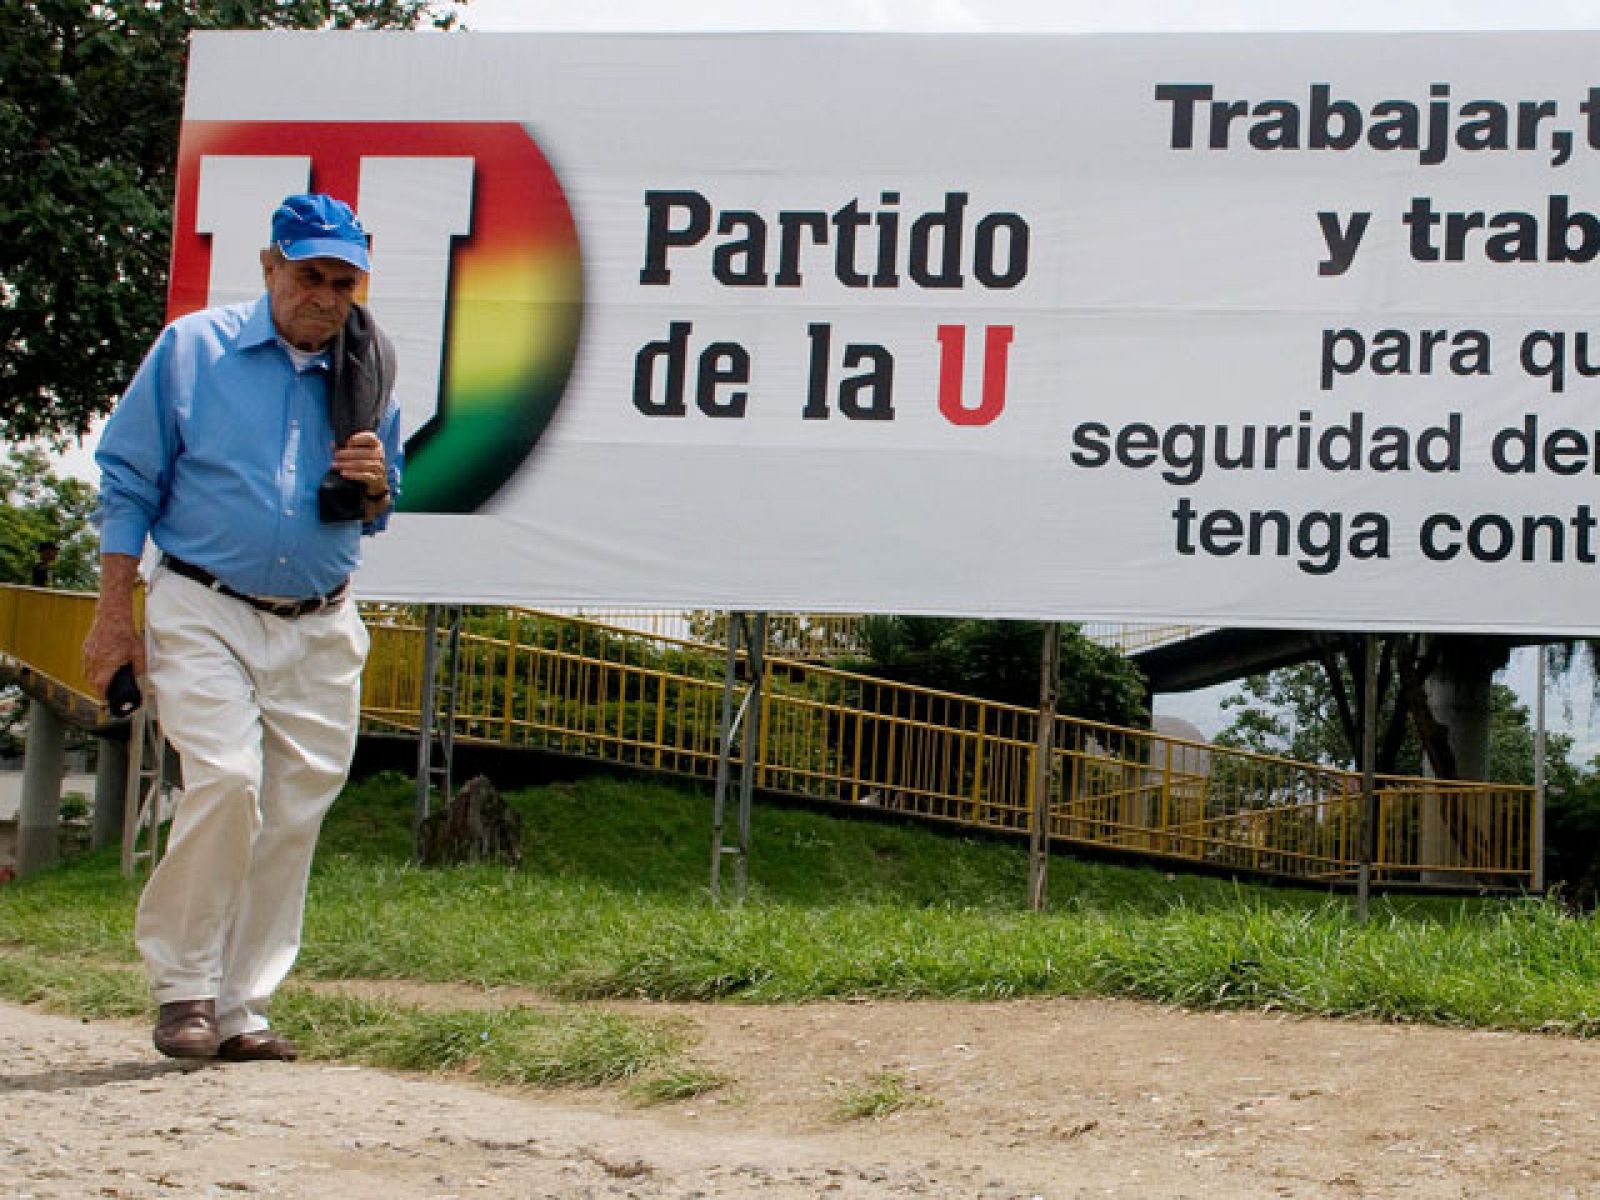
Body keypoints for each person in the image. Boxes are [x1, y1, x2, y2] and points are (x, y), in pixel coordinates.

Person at [81, 193, 403, 1062]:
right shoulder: (193, 351)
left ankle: (240, 1006)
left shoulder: (369, 368)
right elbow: (128, 483)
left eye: (344, 281)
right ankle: (181, 985)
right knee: (226, 781)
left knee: (294, 810)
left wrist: (376, 483)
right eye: (310, 276)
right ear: (270, 267)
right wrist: (115, 618)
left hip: (321, 621)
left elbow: (376, 510)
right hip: (202, 602)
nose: (328, 297)